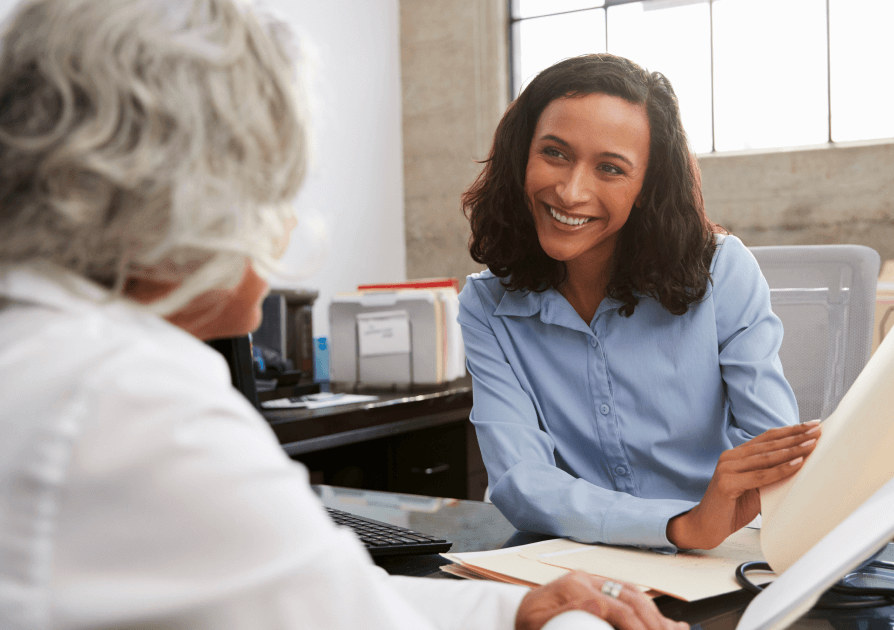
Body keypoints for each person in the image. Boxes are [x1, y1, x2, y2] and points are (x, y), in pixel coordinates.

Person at [0, 2, 688, 629]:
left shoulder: (54, 351)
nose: (289, 214)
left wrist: (517, 607)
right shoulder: (136, 402)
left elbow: (328, 593)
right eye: (282, 176)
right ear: (193, 190)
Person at [459, 54, 821, 553]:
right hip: (574, 558)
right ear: (523, 154)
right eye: (555, 154)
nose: (571, 190)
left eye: (610, 168)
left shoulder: (722, 271)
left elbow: (776, 456)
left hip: (718, 555)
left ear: (646, 188)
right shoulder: (486, 305)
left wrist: (707, 520)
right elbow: (520, 482)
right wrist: (677, 524)